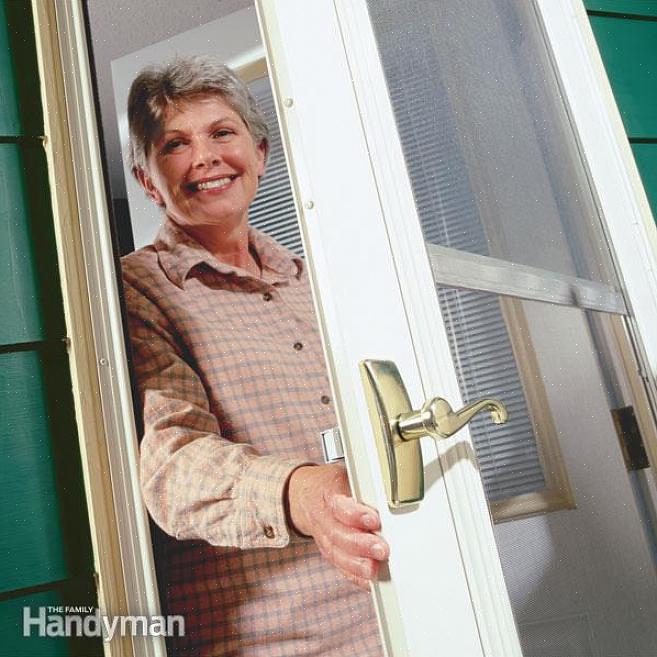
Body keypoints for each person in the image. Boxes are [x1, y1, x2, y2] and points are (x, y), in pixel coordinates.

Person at [121, 55, 388, 656]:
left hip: (397, 610)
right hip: (282, 641)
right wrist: (300, 492)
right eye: (176, 144)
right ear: (148, 181)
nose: (206, 157)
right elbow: (171, 467)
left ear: (260, 154)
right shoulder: (138, 289)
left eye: (222, 132)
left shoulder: (312, 280)